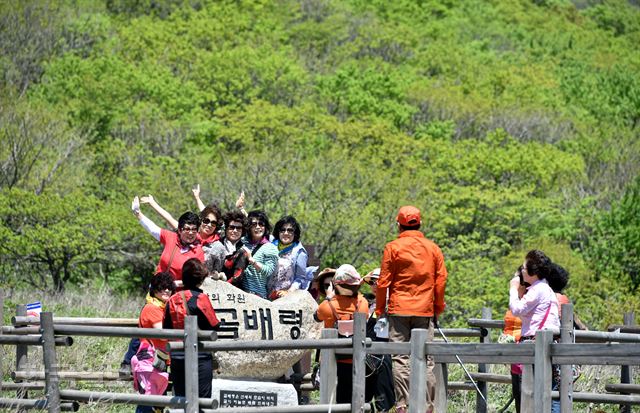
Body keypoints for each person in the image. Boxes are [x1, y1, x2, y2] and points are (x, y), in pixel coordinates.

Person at [375, 206, 447, 413]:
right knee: (427, 357)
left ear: (398, 224)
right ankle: (427, 405)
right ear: (420, 223)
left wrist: (380, 308)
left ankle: (402, 404)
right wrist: (437, 306)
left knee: (400, 357)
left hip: (399, 309)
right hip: (424, 310)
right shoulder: (433, 248)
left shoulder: (393, 247)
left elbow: (383, 283)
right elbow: (441, 280)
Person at [509, 250, 561, 413]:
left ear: (533, 271)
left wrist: (513, 289)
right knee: (547, 392)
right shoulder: (546, 289)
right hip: (546, 343)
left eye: (524, 268)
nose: (522, 271)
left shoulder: (538, 290)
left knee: (529, 393)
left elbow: (516, 309)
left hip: (533, 346)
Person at [164, 259, 220, 401]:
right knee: (202, 400)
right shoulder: (201, 298)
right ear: (200, 279)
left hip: (177, 355)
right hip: (199, 355)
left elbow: (166, 327)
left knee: (182, 399)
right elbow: (214, 325)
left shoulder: (172, 299)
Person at [314, 264, 369, 404]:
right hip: (354, 358)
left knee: (329, 396)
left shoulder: (327, 306)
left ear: (335, 285)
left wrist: (328, 297)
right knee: (349, 397)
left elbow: (316, 316)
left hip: (330, 359)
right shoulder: (362, 303)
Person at [132, 196, 203, 288]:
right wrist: (138, 213)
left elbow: (197, 279)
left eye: (194, 229)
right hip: (157, 289)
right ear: (180, 230)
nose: (190, 233)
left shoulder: (198, 252)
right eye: (187, 229)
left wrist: (173, 284)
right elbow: (153, 229)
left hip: (178, 295)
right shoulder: (171, 237)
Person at [131, 272, 176, 413]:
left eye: (169, 287)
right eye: (163, 287)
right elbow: (162, 335)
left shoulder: (160, 307)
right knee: (148, 404)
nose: (167, 290)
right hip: (149, 362)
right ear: (154, 289)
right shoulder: (153, 309)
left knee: (156, 405)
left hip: (156, 362)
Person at [363, 269, 395, 413]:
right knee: (364, 398)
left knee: (384, 399)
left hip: (387, 354)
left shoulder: (394, 304)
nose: (374, 285)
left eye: (378, 281)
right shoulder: (366, 303)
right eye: (372, 282)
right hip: (367, 354)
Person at [139, 194, 222, 250]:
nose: (209, 225)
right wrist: (152, 203)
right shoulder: (189, 232)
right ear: (202, 221)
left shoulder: (217, 245)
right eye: (206, 221)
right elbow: (169, 218)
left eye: (213, 223)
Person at [267, 215, 312, 300]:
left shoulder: (300, 252)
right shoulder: (271, 245)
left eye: (290, 230)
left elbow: (300, 278)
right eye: (282, 230)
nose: (286, 233)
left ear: (295, 233)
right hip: (265, 295)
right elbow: (258, 228)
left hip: (285, 297)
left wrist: (288, 292)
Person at [240, 210, 278, 298]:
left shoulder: (270, 247)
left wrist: (252, 260)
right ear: (249, 227)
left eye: (261, 224)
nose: (258, 227)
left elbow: (268, 271)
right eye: (254, 224)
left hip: (257, 295)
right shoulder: (242, 242)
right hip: (239, 293)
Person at [204, 209, 247, 283]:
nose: (235, 230)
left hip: (229, 290)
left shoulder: (243, 251)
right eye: (232, 227)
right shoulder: (216, 242)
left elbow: (237, 278)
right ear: (226, 228)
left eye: (239, 228)